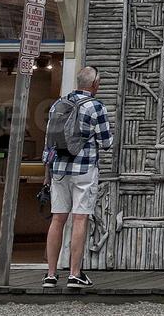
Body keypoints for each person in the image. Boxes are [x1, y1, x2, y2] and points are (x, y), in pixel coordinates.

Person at [43, 65, 113, 289]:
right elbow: (106, 142)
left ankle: (51, 275)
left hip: (59, 170)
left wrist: (48, 170)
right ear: (94, 84)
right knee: (80, 218)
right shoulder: (96, 106)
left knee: (57, 219)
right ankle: (74, 274)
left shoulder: (58, 104)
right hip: (84, 169)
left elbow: (49, 140)